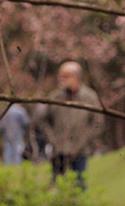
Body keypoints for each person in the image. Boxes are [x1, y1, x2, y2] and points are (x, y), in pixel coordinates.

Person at [40, 61, 104, 190]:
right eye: (61, 76)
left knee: (79, 185)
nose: (61, 79)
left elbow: (98, 123)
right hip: (59, 150)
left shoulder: (90, 97)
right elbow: (43, 121)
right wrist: (52, 139)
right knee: (57, 185)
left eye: (65, 76)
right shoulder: (55, 97)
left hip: (80, 151)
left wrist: (84, 140)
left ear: (76, 77)